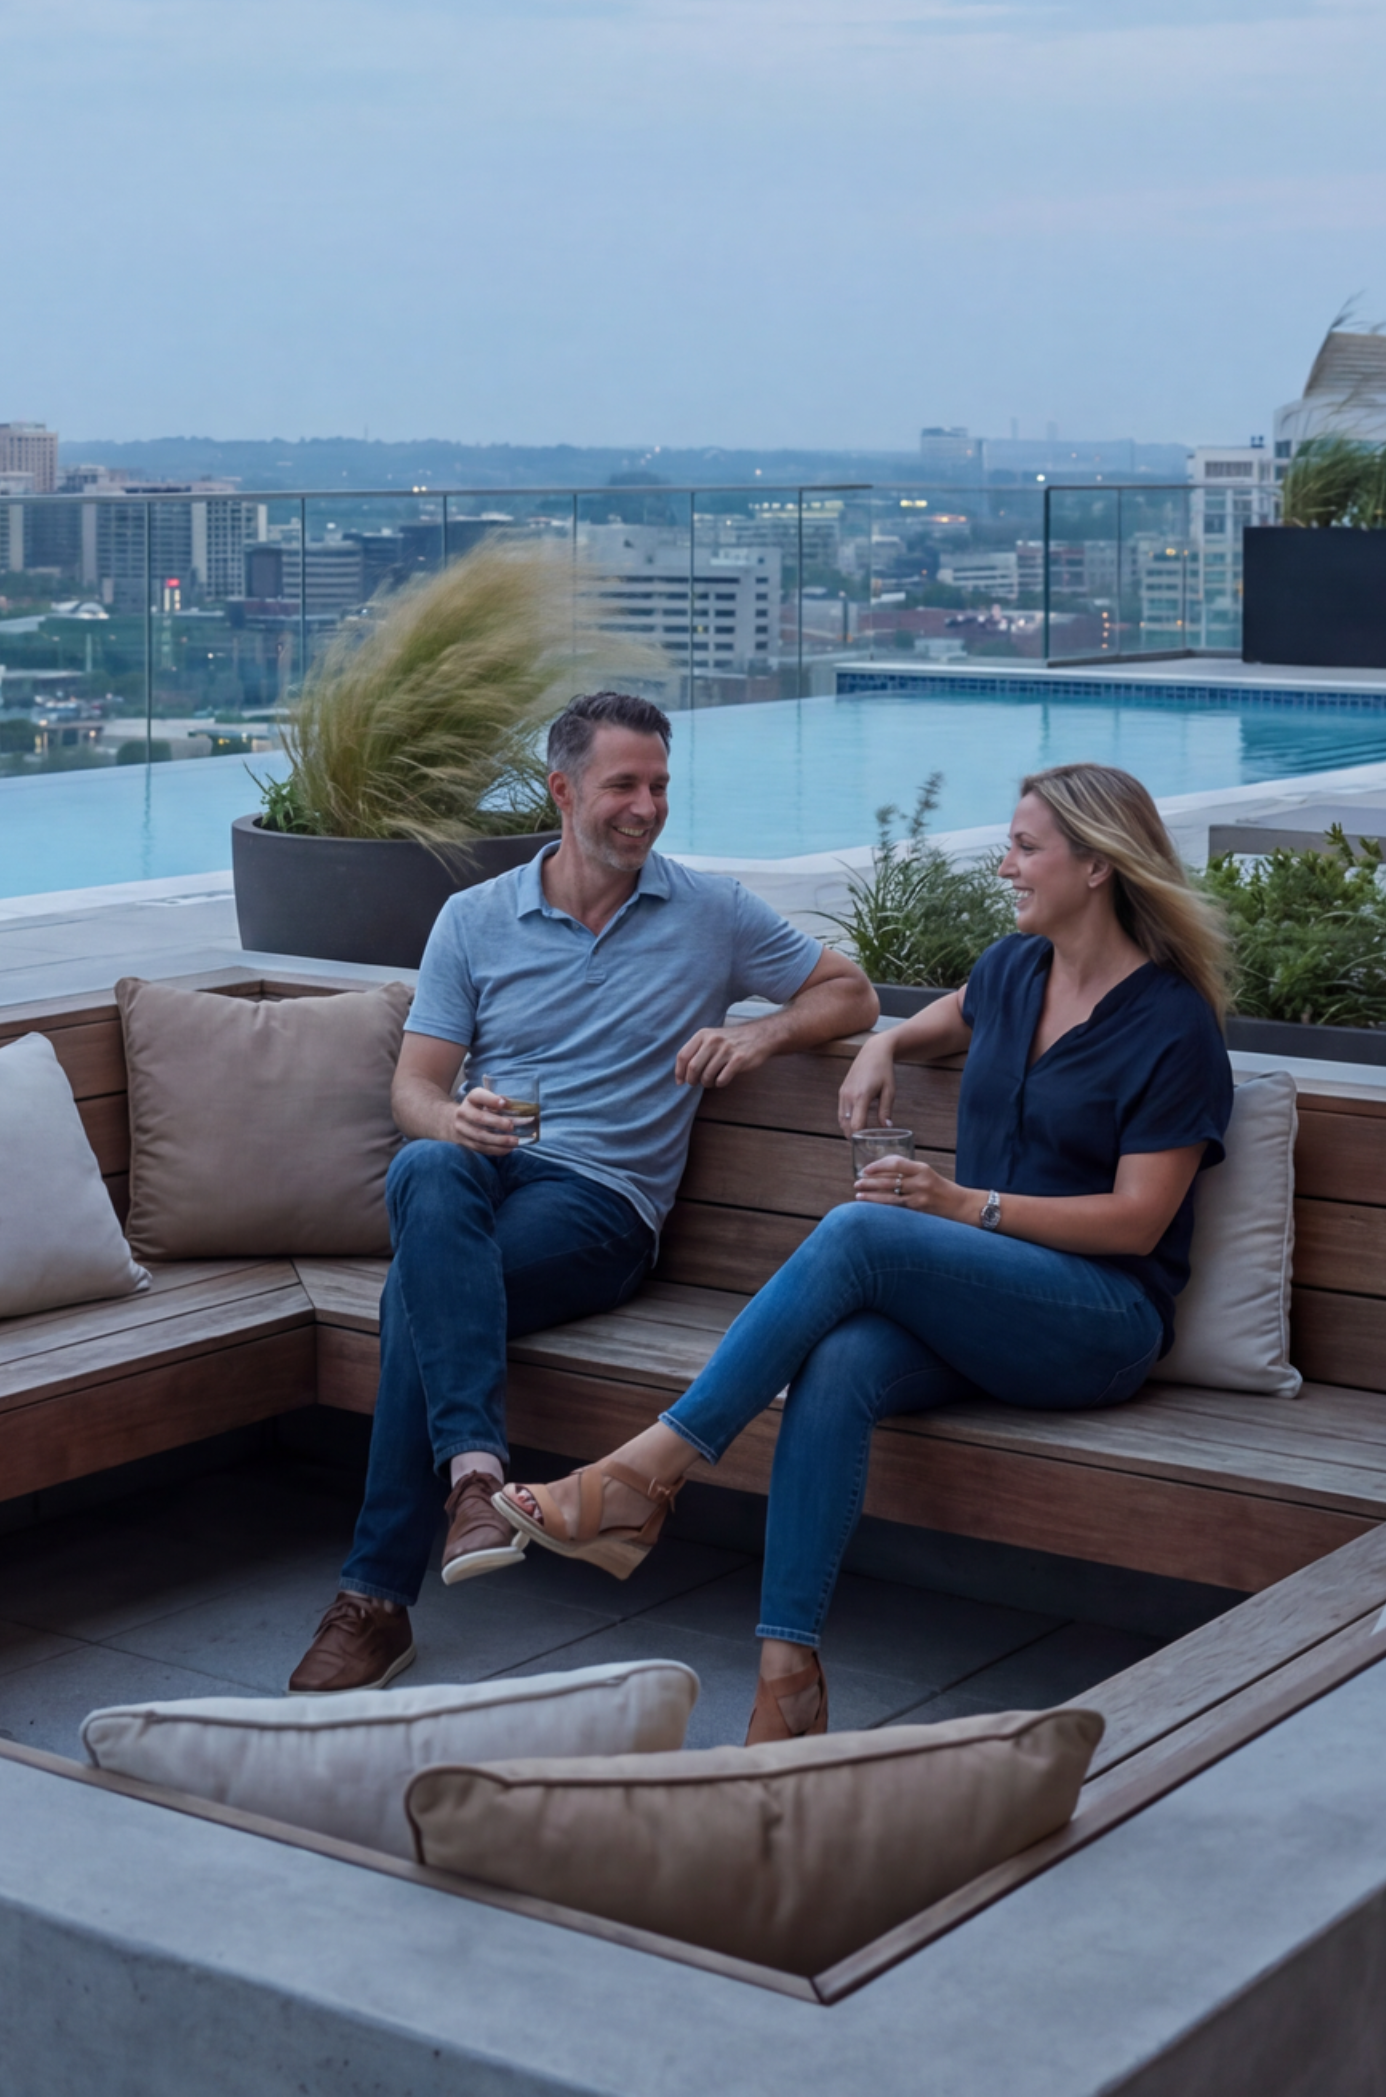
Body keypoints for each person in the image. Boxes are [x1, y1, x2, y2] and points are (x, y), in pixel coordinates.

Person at [496, 761, 1233, 1743]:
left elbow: (1140, 1220)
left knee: (862, 1228)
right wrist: (884, 1044)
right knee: (837, 1363)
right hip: (989, 1309)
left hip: (1099, 1321)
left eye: (1023, 845)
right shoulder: (1018, 967)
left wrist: (962, 1203)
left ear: (1097, 865)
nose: (1003, 864)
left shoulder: (1174, 1024)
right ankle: (786, 1678)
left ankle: (643, 1474)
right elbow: (951, 1014)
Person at [284, 691, 878, 1694]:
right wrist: (453, 1120)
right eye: (623, 784)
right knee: (424, 1163)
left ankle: (378, 1599)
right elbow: (412, 1089)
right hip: (486, 1162)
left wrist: (757, 1032)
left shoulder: (711, 911)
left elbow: (850, 989)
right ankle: (476, 1481)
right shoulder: (473, 917)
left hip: (603, 1201)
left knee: (412, 1295)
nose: (646, 806)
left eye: (659, 785)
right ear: (563, 791)